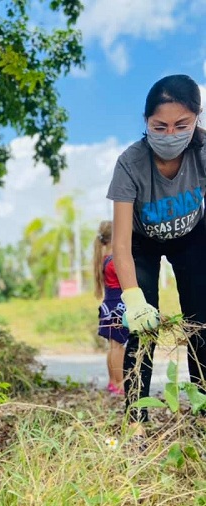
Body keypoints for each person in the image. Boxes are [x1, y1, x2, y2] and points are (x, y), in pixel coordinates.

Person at [107, 74, 206, 435]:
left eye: (181, 125)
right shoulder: (130, 162)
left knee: (202, 322)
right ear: (145, 122)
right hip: (140, 243)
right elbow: (119, 242)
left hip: (193, 237)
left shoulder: (203, 150)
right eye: (158, 126)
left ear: (197, 117)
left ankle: (203, 409)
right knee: (142, 330)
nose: (170, 135)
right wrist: (133, 298)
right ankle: (136, 420)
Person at [93, 220, 129, 396]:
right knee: (118, 347)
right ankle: (120, 384)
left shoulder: (103, 257)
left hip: (109, 306)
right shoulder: (115, 260)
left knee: (113, 346)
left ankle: (113, 383)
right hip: (118, 308)